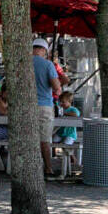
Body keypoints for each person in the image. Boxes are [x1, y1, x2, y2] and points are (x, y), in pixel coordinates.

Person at [32, 38, 63, 176]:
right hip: (44, 106)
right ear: (44, 50)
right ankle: (48, 168)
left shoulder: (22, 64)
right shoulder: (48, 65)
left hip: (27, 106)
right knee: (44, 140)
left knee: (29, 139)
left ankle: (29, 168)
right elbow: (57, 89)